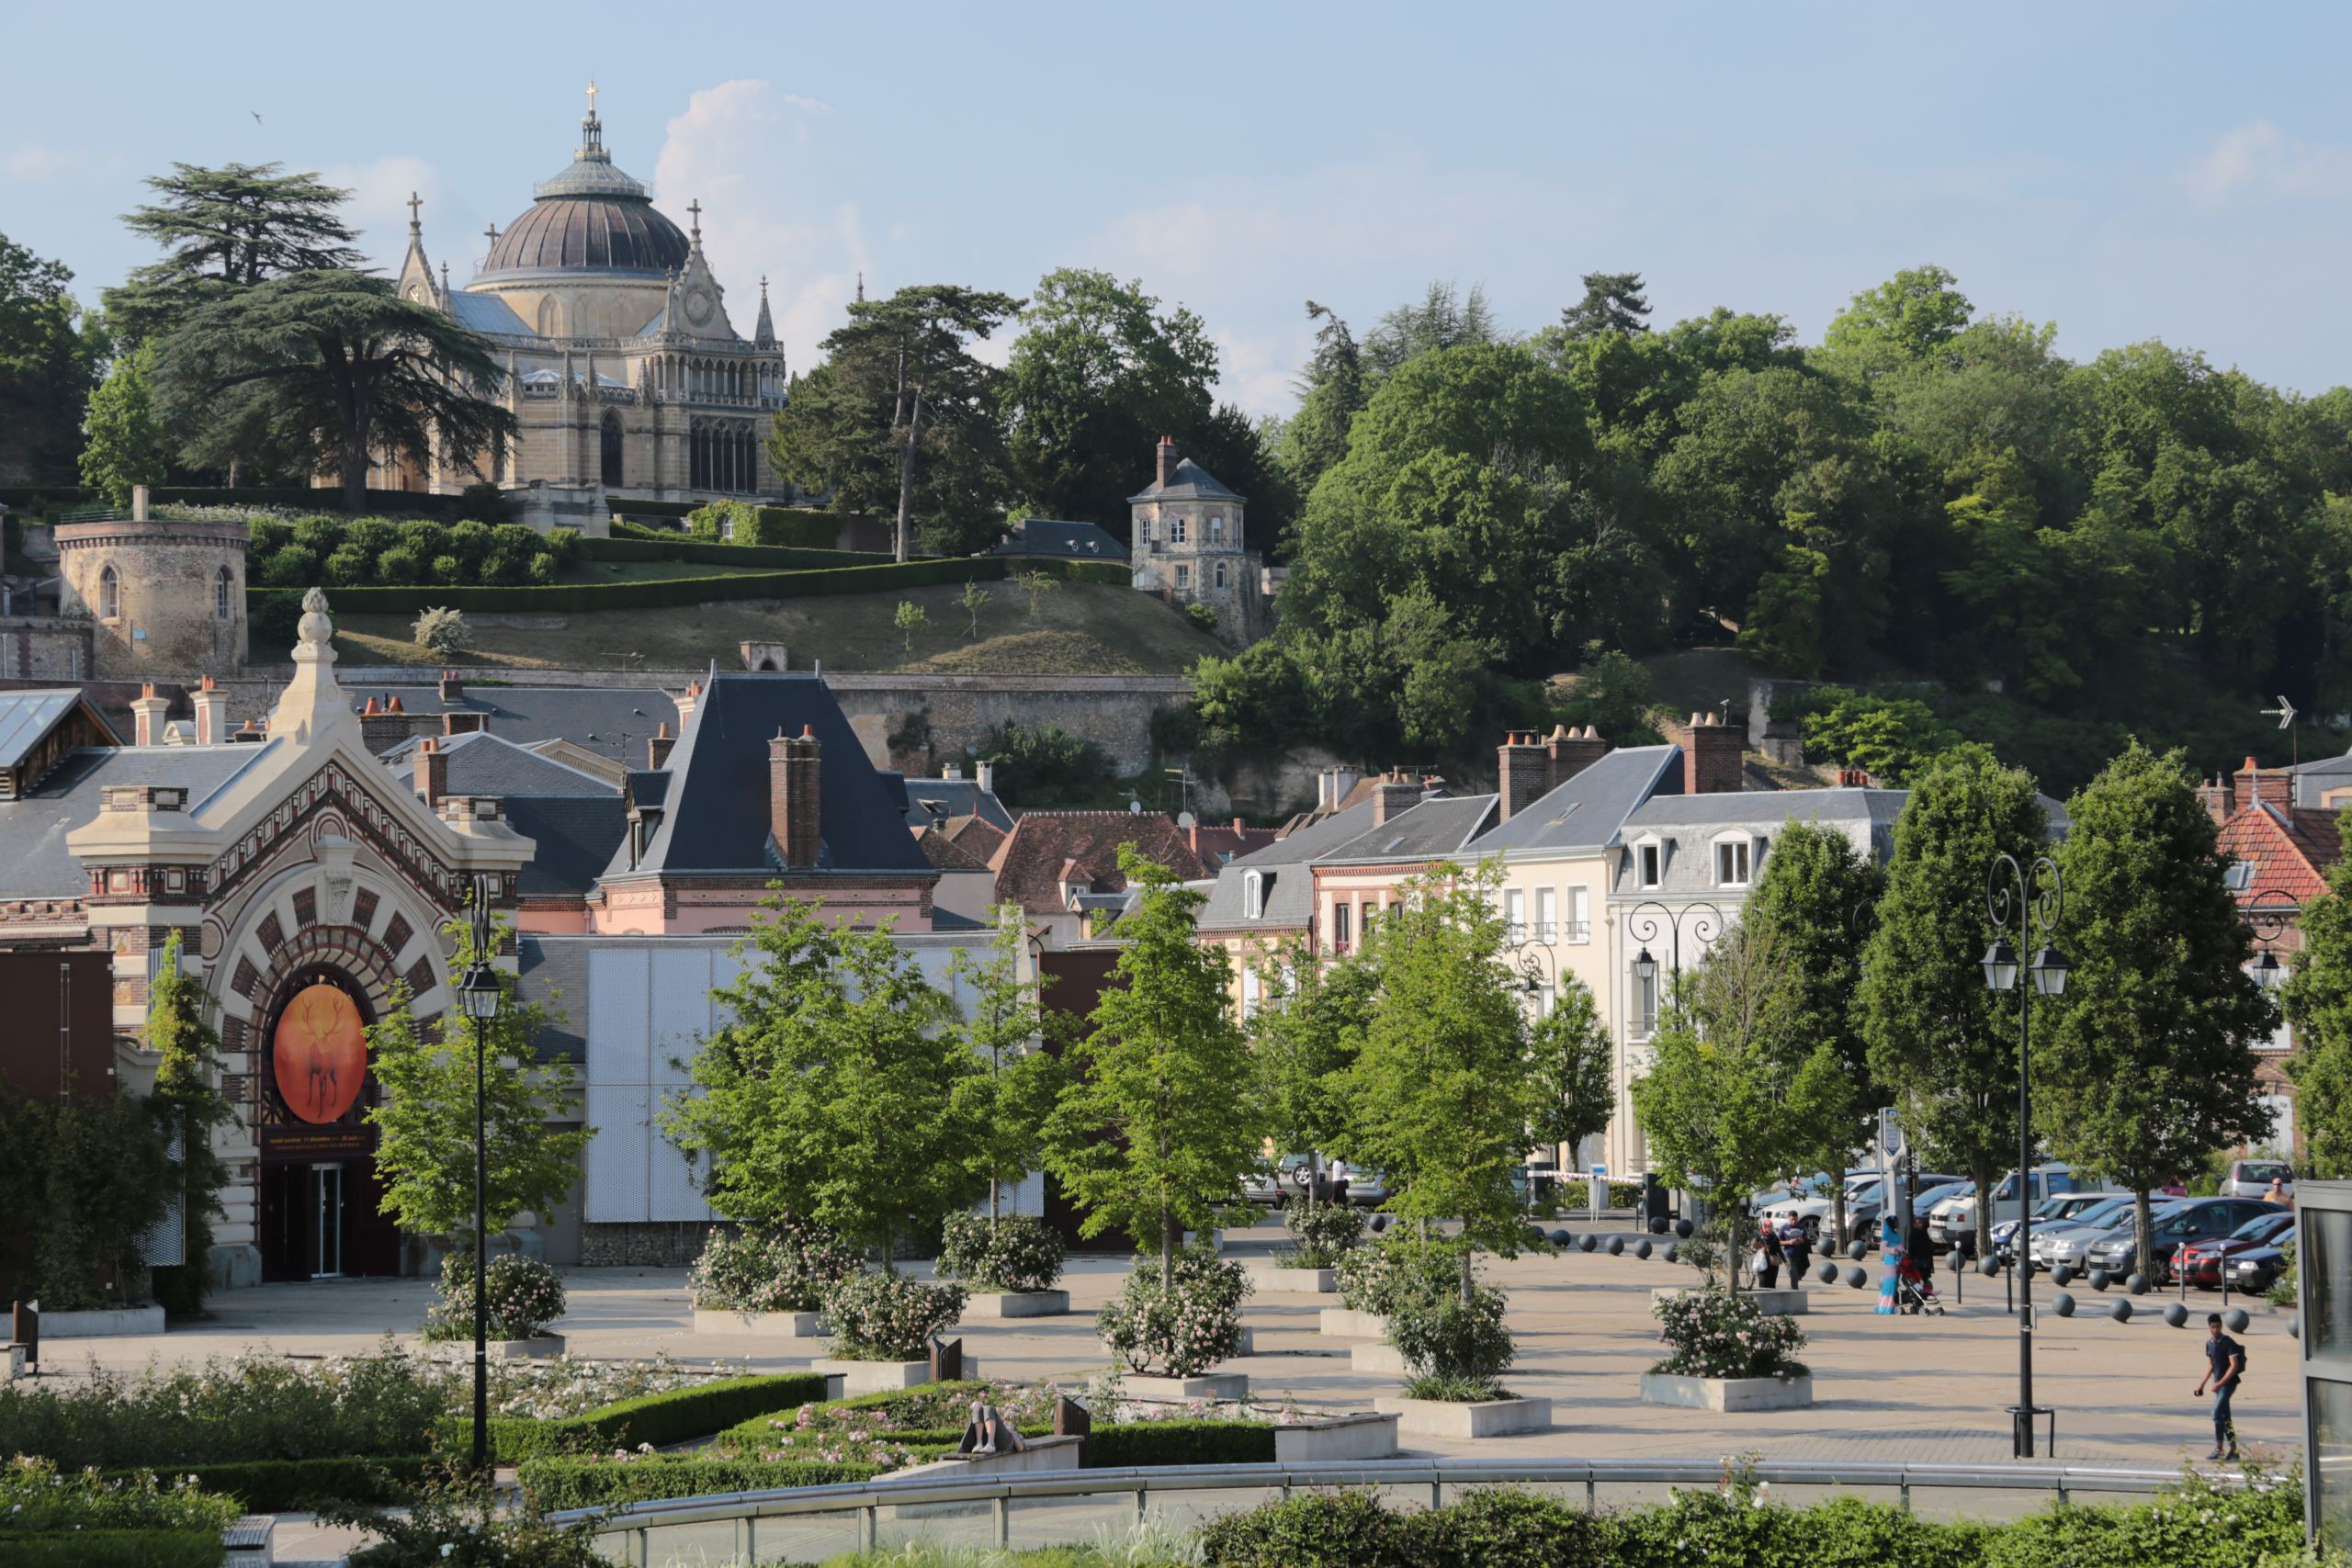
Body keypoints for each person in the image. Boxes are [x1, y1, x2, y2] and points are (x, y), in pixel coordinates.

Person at [2195, 1313, 2245, 1461]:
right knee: (2225, 1417)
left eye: (2218, 1326)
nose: (2216, 1330)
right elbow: (2211, 1364)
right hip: (2217, 1384)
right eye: (2213, 1327)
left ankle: (2219, 1448)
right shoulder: (2209, 1343)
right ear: (2209, 1328)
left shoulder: (2228, 1342)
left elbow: (2234, 1366)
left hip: (2229, 1384)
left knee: (2216, 1414)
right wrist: (2201, 1384)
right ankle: (2234, 1451)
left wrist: (2220, 1383)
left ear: (2222, 1326)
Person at [1780, 1216, 1813, 1284]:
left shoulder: (1802, 1227)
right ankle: (1794, 1289)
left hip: (1801, 1254)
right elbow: (1778, 1241)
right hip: (1789, 1254)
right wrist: (1789, 1242)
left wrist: (1802, 1240)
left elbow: (1807, 1239)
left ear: (1797, 1218)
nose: (1794, 1221)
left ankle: (1797, 1279)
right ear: (1788, 1219)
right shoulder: (1783, 1228)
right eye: (1792, 1219)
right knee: (1792, 1273)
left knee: (1801, 1272)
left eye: (1795, 1219)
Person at [1753, 1220, 1783, 1290]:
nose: (1769, 1228)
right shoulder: (1759, 1237)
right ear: (1763, 1227)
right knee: (1763, 1282)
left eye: (1771, 1226)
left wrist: (1786, 1261)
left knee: (1772, 1284)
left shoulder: (1775, 1237)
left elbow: (1779, 1250)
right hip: (1762, 1262)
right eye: (1767, 1226)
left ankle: (1772, 1299)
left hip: (1773, 1263)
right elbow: (1753, 1248)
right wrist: (1761, 1249)